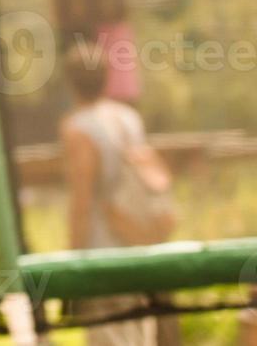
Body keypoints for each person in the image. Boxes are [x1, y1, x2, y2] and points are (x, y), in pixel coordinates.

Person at [59, 40, 159, 346]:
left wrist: (74, 261)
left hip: (102, 250)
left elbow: (82, 201)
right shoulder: (129, 118)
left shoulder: (78, 129)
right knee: (141, 331)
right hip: (138, 239)